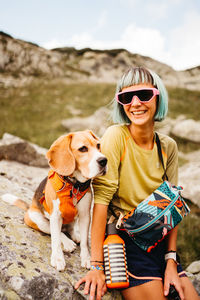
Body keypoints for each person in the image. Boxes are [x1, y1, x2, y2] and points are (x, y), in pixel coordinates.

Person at [75, 67, 199, 300]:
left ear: (157, 96)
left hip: (159, 242)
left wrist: (171, 260)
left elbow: (173, 206)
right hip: (125, 245)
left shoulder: (168, 146)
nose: (135, 103)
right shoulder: (116, 136)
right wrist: (97, 266)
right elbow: (101, 201)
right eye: (125, 97)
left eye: (143, 94)